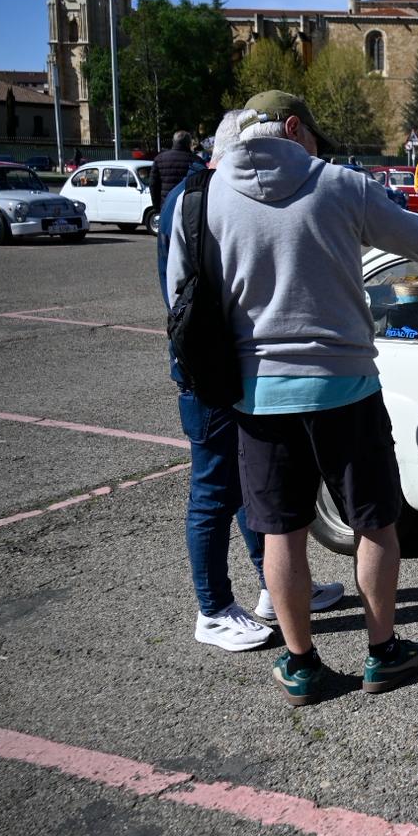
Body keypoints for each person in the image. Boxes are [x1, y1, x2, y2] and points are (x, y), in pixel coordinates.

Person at [167, 90, 418, 703]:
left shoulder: (198, 199)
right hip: (345, 387)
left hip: (258, 395)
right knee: (375, 524)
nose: (318, 148)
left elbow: (182, 294)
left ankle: (302, 664)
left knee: (281, 532)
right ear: (293, 128)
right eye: (314, 136)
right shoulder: (339, 185)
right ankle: (383, 653)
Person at [158, 108, 345, 653]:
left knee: (247, 485)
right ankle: (213, 609)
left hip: (233, 365)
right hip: (210, 368)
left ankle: (273, 587)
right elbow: (181, 295)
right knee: (213, 489)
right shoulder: (197, 198)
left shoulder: (215, 193)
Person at [152, 131, 201, 209]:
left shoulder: (159, 159)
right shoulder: (197, 161)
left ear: (173, 141)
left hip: (166, 205)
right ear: (189, 143)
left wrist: (157, 206)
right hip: (188, 207)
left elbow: (153, 185)